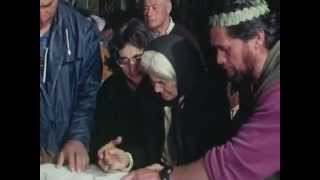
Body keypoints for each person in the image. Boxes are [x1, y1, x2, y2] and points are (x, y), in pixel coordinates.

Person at [121, 0, 280, 179]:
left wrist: (165, 176)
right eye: (216, 50)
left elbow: (235, 162)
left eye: (224, 49)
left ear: (258, 38)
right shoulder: (250, 82)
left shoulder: (276, 91)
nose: (219, 59)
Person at [121, 34, 232, 180]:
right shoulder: (149, 95)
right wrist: (127, 158)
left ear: (182, 76)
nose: (156, 89)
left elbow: (210, 164)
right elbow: (144, 144)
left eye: (162, 82)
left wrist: (166, 173)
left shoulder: (209, 106)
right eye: (153, 81)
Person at [40, 0, 101, 172]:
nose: (41, 16)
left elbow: (88, 95)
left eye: (46, 6)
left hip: (64, 154)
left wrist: (78, 137)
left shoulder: (83, 33)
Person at [89, 18, 154, 172]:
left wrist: (128, 157)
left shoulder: (157, 87)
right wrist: (103, 152)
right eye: (124, 61)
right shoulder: (109, 89)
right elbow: (99, 136)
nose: (133, 68)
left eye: (138, 59)